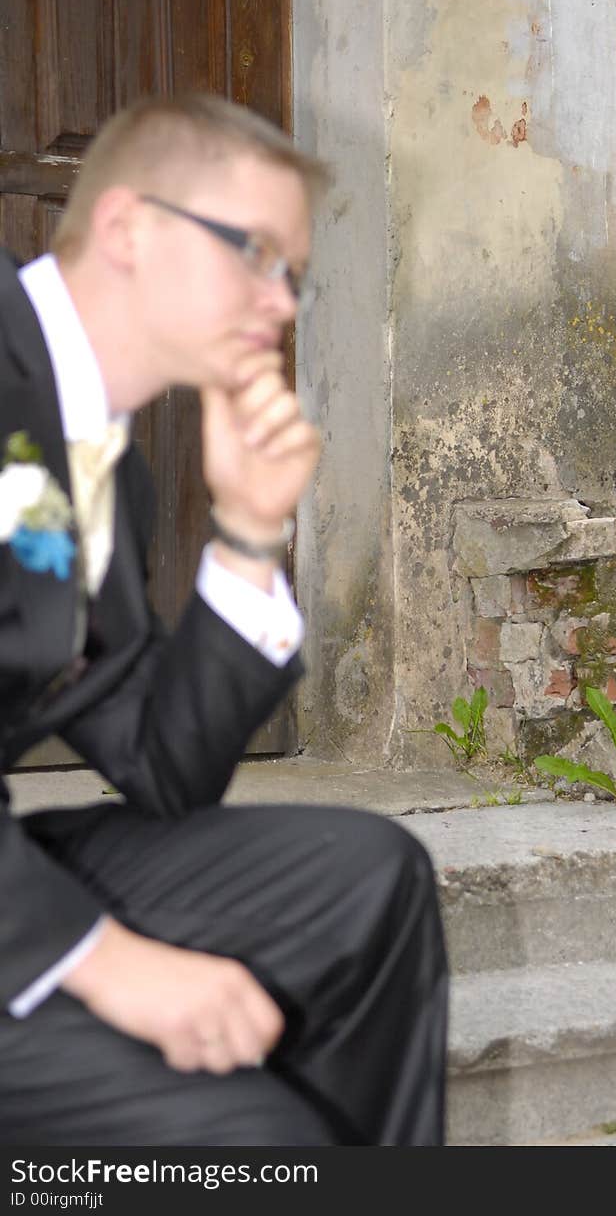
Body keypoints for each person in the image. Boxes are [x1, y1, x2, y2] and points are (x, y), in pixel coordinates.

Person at [0, 93, 448, 1145]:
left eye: (292, 272)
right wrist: (101, 958)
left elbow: (164, 771)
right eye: (254, 253)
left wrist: (247, 536)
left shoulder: (111, 473)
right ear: (125, 227)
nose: (282, 301)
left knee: (369, 880)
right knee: (254, 1142)